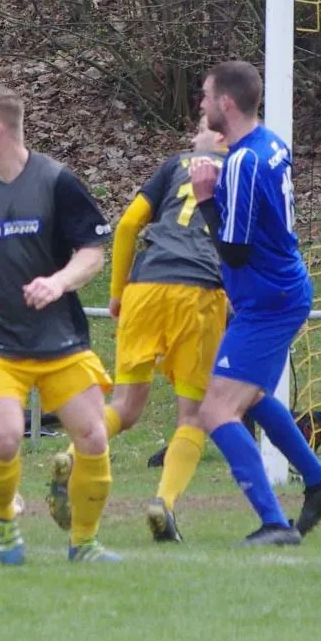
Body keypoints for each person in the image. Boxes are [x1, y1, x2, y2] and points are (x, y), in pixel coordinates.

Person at [0, 84, 118, 563]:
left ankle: (84, 543)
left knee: (93, 437)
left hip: (60, 338)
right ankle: (3, 524)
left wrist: (58, 282)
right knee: (4, 438)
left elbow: (92, 253)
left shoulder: (56, 181)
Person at [188, 61, 321, 546]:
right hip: (280, 291)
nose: (201, 104)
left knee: (216, 411)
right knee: (252, 397)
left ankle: (275, 523)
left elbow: (234, 250)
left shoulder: (243, 163)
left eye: (205, 96)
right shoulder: (270, 143)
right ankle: (319, 483)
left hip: (267, 301)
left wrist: (205, 197)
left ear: (226, 103)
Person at [105, 116, 228, 542]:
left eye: (200, 128)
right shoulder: (243, 172)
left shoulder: (176, 164)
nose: (192, 136)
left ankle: (72, 455)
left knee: (124, 405)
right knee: (193, 414)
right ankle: (165, 501)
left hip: (145, 284)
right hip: (199, 289)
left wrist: (117, 292)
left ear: (219, 134)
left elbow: (127, 226)